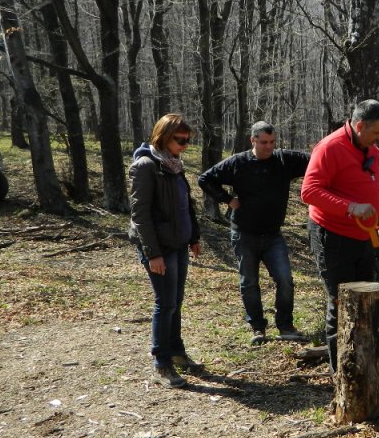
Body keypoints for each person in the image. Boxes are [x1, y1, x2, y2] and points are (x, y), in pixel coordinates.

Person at [198, 121, 310, 345]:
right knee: (249, 282)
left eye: (272, 142)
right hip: (244, 234)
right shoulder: (238, 163)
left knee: (285, 280)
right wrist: (227, 199)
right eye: (263, 142)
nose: (269, 147)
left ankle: (285, 325)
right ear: (253, 140)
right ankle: (257, 327)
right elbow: (205, 179)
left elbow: (316, 160)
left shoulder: (283, 160)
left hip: (273, 235)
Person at [300, 100, 379, 370]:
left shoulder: (371, 150)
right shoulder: (330, 148)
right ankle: (340, 372)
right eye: (376, 133)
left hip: (364, 237)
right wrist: (350, 208)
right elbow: (309, 192)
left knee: (363, 301)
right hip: (332, 236)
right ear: (359, 125)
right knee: (341, 302)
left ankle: (361, 365)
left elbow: (372, 193)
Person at [128, 114, 203, 388]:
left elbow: (187, 205)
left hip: (179, 244)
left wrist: (193, 236)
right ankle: (162, 362)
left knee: (176, 302)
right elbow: (140, 215)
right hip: (159, 248)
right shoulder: (145, 166)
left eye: (187, 140)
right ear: (164, 136)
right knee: (165, 303)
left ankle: (177, 351)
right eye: (179, 139)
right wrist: (152, 254)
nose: (184, 144)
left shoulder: (174, 165)